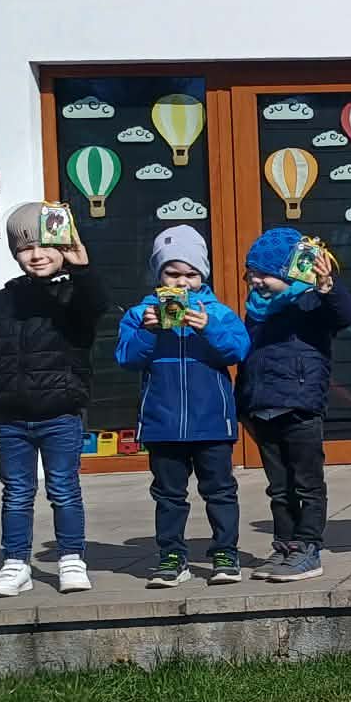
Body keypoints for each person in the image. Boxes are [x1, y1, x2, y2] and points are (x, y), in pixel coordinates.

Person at [0, 202, 108, 597]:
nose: (36, 255)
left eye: (46, 246)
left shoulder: (73, 295)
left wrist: (82, 268)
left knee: (64, 489)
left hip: (60, 413)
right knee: (16, 493)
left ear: (62, 248)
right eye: (25, 248)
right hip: (11, 417)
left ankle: (71, 559)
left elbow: (97, 304)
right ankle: (15, 564)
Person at [114, 224, 250, 585]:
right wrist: (148, 332)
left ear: (202, 275)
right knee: (168, 495)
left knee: (220, 491)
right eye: (172, 274)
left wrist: (208, 328)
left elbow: (238, 350)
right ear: (158, 275)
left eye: (191, 274)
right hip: (163, 422)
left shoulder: (217, 312)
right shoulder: (140, 314)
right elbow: (126, 358)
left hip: (212, 421)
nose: (182, 283)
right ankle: (172, 556)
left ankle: (226, 552)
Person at [237, 227, 351, 581]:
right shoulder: (256, 311)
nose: (255, 281)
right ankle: (285, 546)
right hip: (262, 407)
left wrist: (328, 286)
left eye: (263, 273)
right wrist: (242, 402)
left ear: (286, 272)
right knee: (279, 487)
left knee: (307, 483)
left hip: (300, 405)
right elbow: (249, 359)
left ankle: (308, 548)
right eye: (251, 273)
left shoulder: (310, 302)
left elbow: (345, 314)